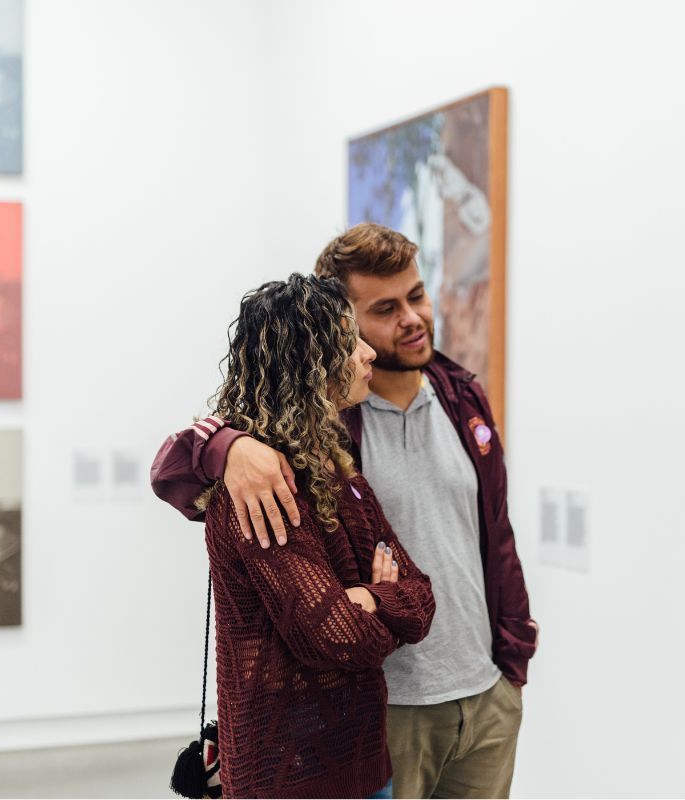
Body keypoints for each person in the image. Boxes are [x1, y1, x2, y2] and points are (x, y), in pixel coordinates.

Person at [153, 223, 538, 799]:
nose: (411, 317)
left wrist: (513, 656)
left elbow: (494, 534)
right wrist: (225, 446)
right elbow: (170, 472)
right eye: (384, 308)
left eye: (416, 295)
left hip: (485, 693)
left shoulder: (461, 396)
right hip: (387, 709)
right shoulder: (311, 436)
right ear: (341, 327)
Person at [169, 273, 436, 798]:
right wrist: (382, 602)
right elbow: (337, 637)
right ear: (307, 367)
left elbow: (422, 596)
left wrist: (368, 600)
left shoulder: (337, 471)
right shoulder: (259, 492)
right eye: (348, 343)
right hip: (288, 778)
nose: (367, 355)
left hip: (362, 762)